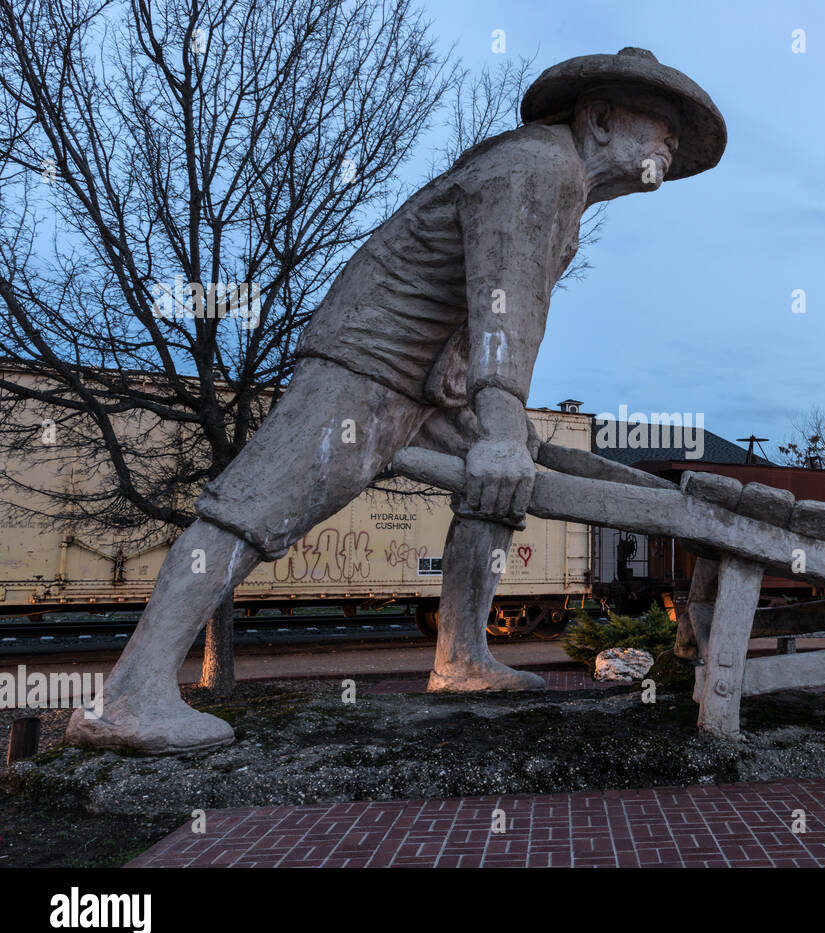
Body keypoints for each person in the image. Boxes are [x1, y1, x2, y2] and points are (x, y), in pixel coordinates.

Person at [65, 47, 726, 754]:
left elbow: (488, 301)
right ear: (598, 118)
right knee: (257, 505)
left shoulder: (563, 189)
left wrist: (493, 421)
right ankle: (129, 694)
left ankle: (461, 657)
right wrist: (500, 419)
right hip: (369, 355)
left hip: (424, 376)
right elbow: (508, 304)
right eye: (660, 123)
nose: (671, 142)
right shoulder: (538, 167)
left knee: (502, 482)